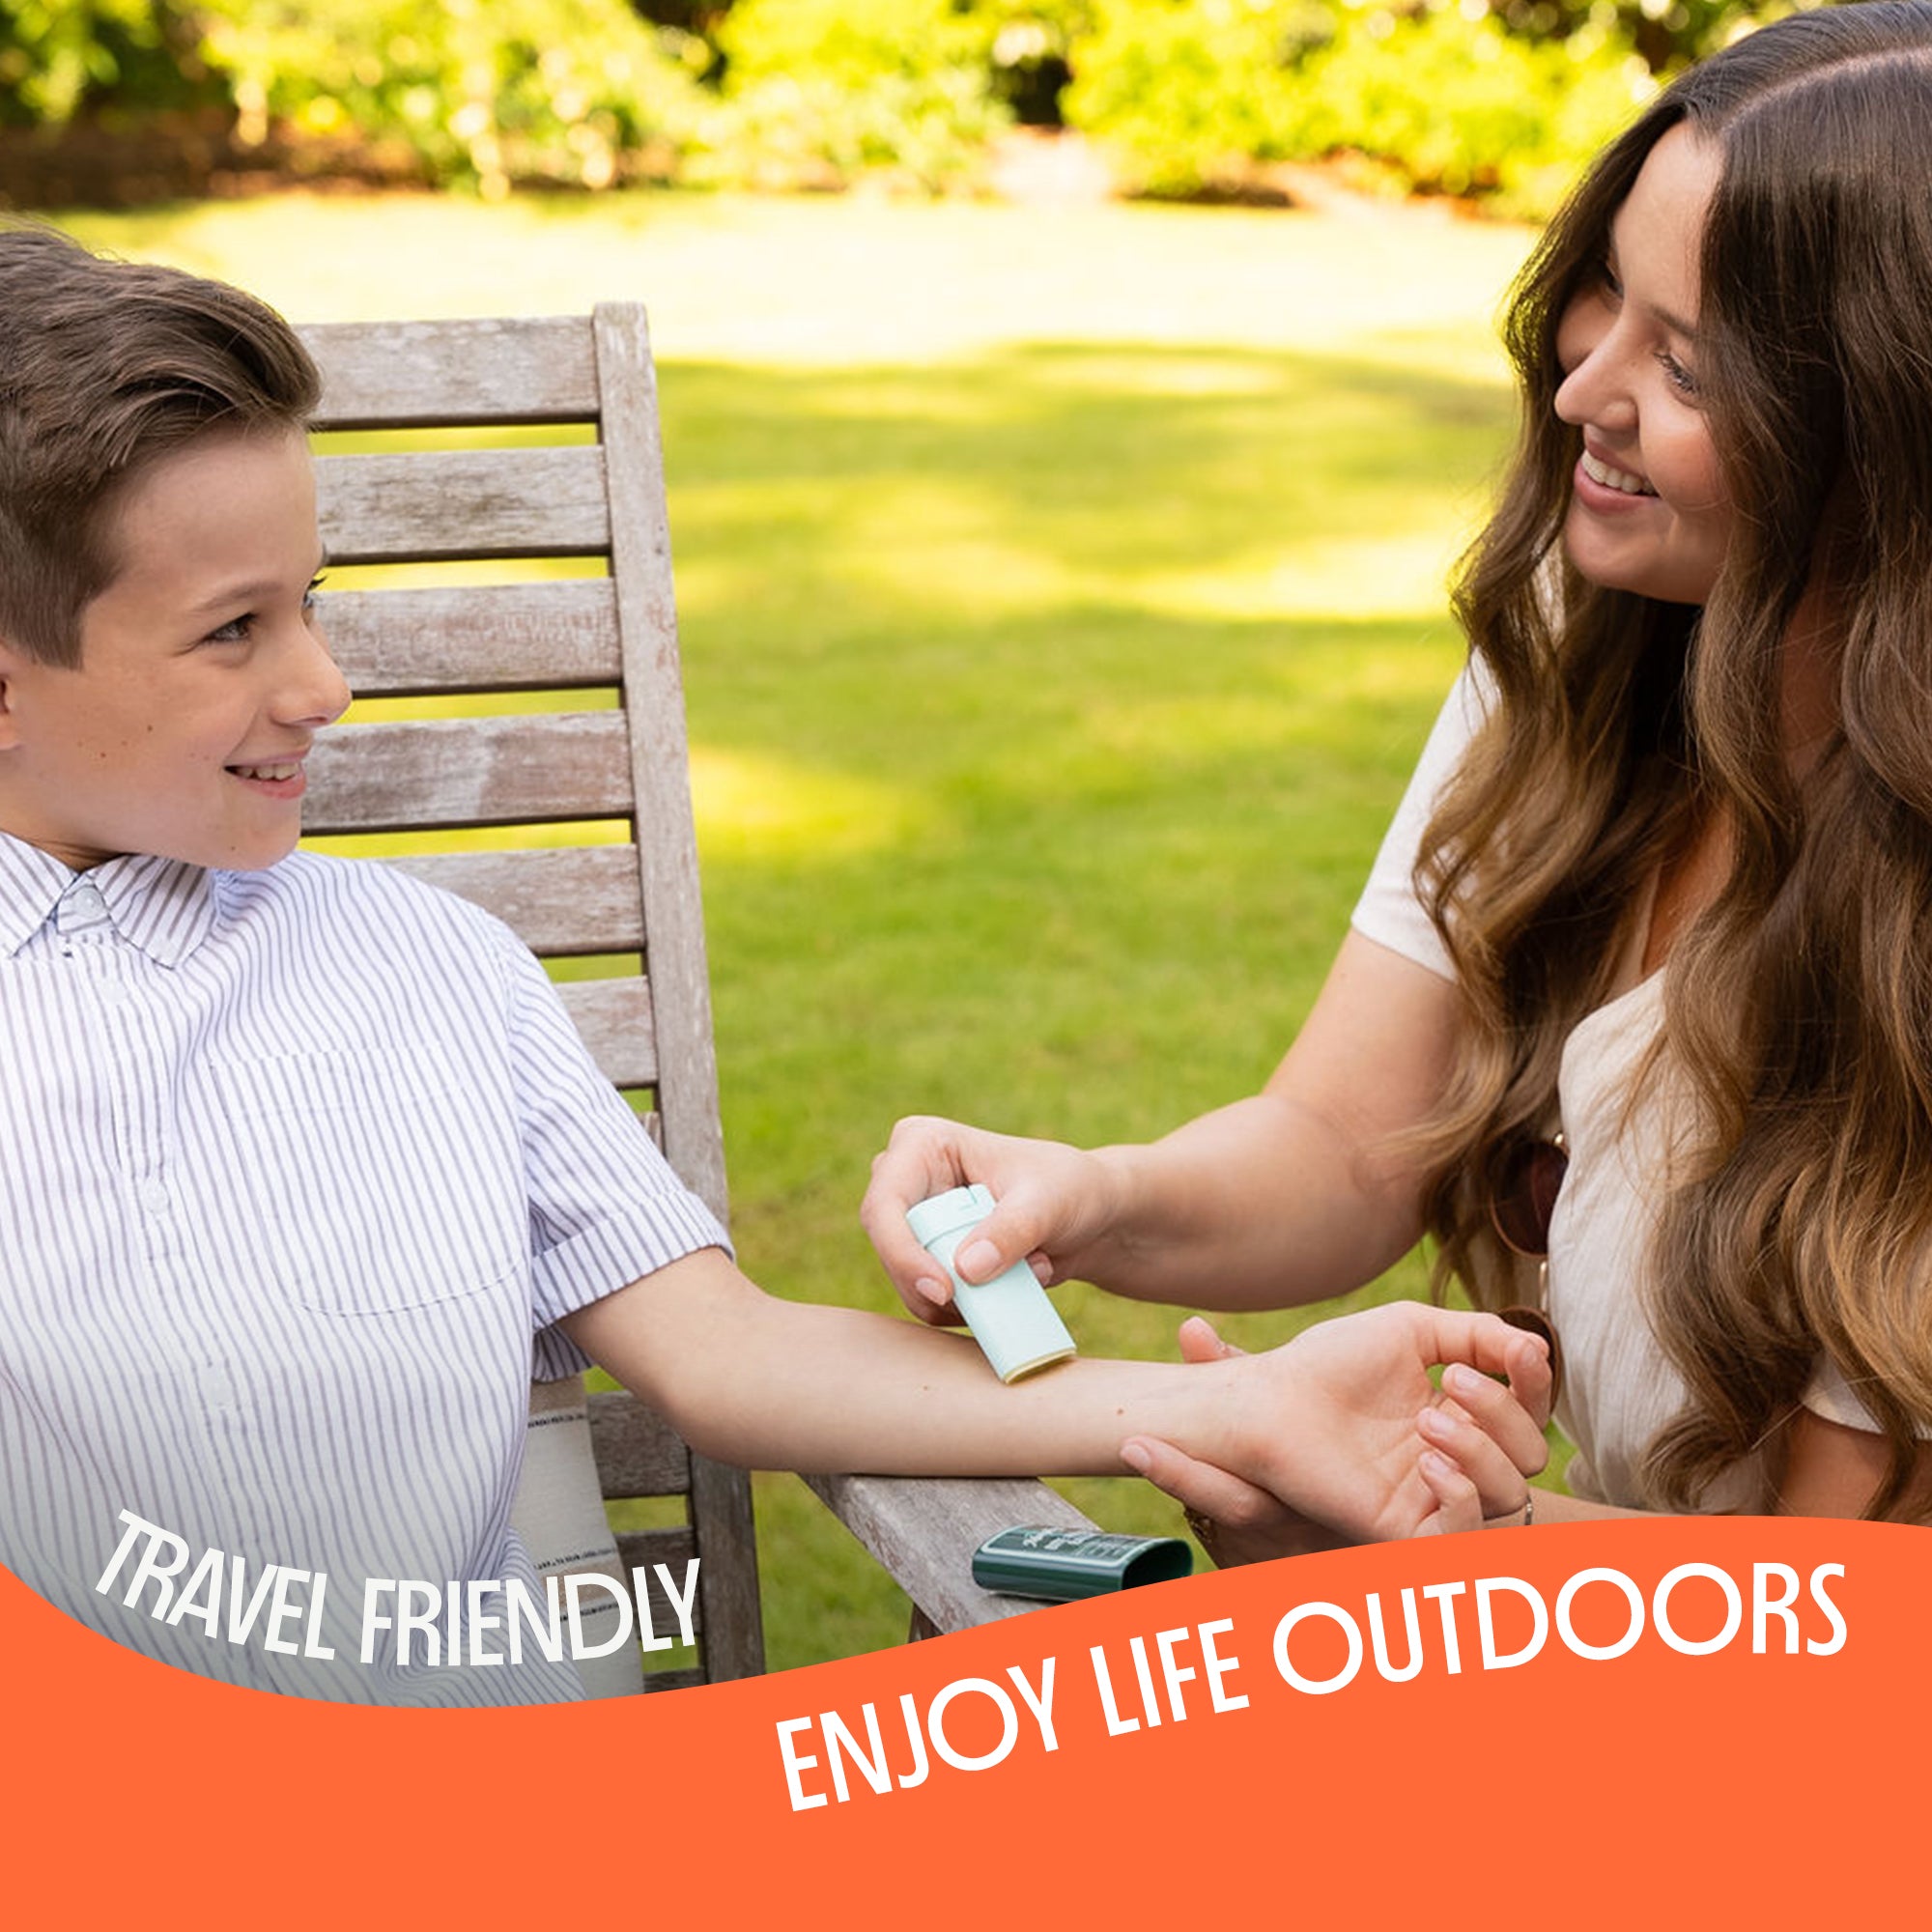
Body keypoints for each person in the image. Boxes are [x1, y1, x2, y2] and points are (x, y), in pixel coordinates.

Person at [0, 222, 1550, 1703]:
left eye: (314, 606)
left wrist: (1238, 1404)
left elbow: (726, 1351)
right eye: (232, 634)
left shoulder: (425, 973)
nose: (324, 684)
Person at [864, 2, 1932, 1553]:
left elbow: (1841, 1608)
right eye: (1605, 300)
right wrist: (1083, 1197)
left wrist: (1427, 1551)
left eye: (1684, 364)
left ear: (1880, 447)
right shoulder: (1591, 633)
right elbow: (1346, 1145)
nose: (1580, 391)